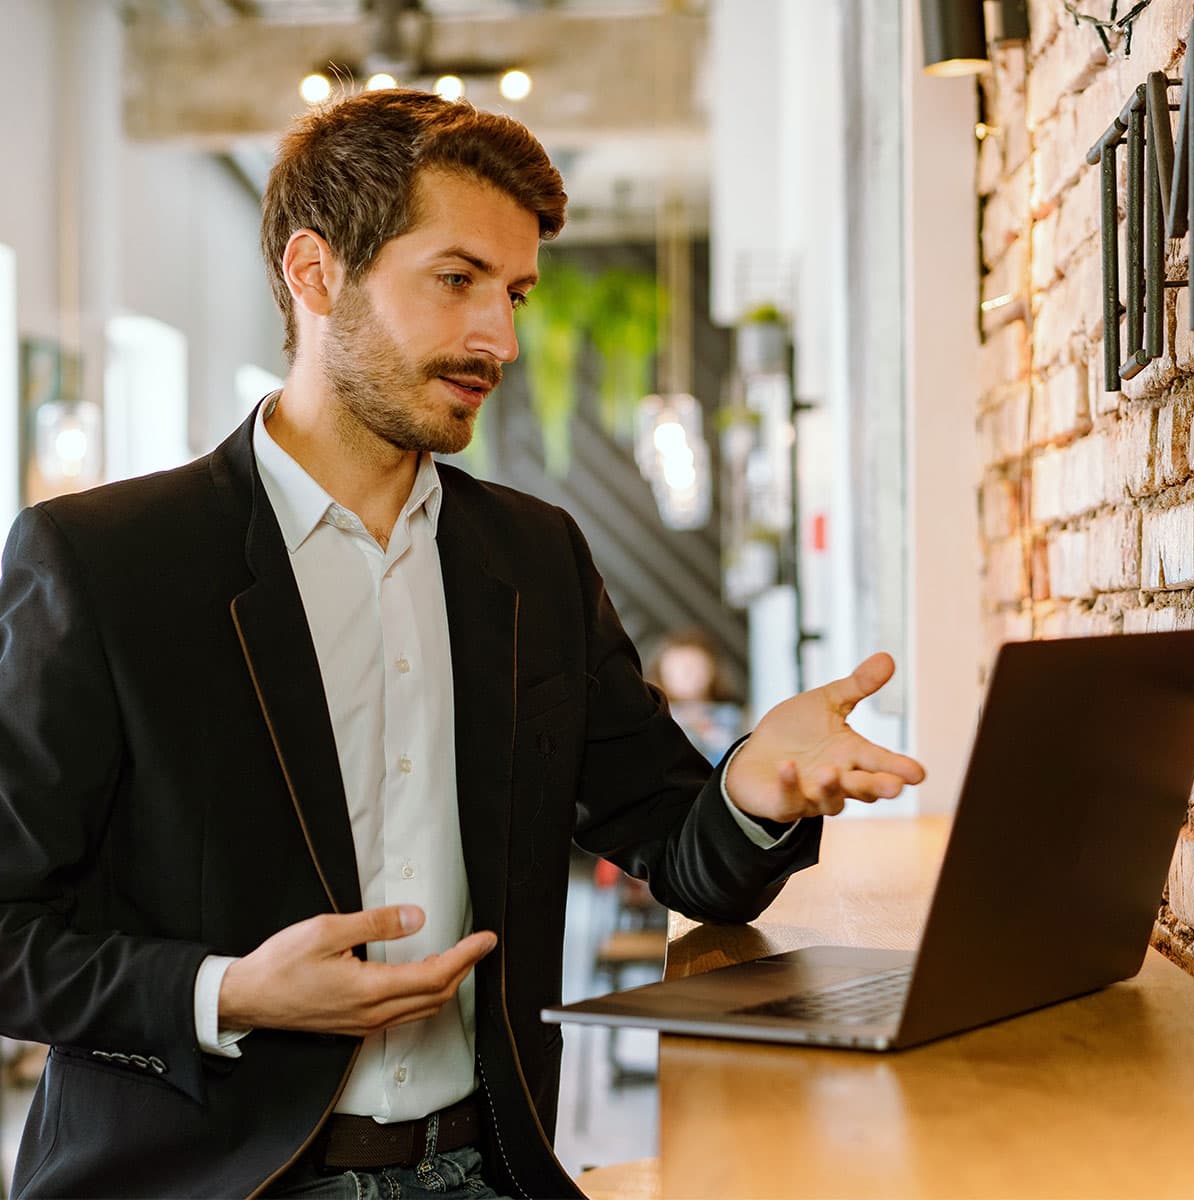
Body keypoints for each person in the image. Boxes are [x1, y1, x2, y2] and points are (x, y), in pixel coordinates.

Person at [0, 88, 924, 1200]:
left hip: (488, 1171)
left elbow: (678, 847)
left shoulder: (534, 558)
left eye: (517, 293)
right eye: (456, 280)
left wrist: (755, 791)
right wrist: (224, 992)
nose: (500, 336)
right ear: (315, 273)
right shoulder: (102, 561)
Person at [645, 627, 746, 765]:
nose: (687, 676)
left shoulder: (731, 716)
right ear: (661, 671)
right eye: (678, 669)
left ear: (712, 670)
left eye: (694, 667)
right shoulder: (653, 717)